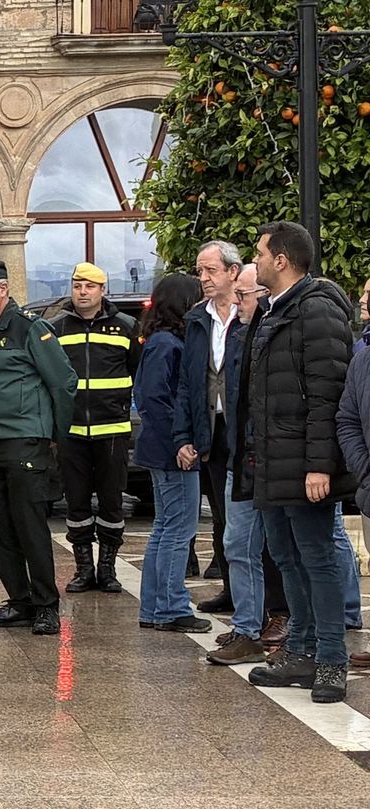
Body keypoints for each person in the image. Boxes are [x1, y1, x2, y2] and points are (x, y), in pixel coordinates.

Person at [236, 220, 356, 703]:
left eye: (261, 253)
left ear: (281, 260)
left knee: (318, 559)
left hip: (304, 464)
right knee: (286, 557)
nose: (257, 260)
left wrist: (320, 465)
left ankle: (331, 659)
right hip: (272, 460)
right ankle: (302, 651)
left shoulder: (317, 311)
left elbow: (328, 396)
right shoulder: (273, 311)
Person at [0, 260, 77, 635]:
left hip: (25, 442)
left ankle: (46, 605)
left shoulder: (30, 328)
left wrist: (55, 438)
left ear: (3, 289)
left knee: (29, 527)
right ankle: (20, 600)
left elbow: (63, 384)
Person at [53, 263, 140, 593]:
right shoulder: (57, 328)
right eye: (77, 285)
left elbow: (135, 369)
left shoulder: (125, 327)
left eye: (90, 286)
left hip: (112, 429)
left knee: (111, 503)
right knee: (75, 503)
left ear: (102, 290)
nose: (82, 291)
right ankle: (83, 568)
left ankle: (107, 569)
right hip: (72, 432)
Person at [132, 274, 212, 634]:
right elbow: (154, 398)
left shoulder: (159, 341)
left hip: (160, 448)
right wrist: (181, 442)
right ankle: (170, 606)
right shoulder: (168, 344)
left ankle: (154, 607)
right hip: (171, 451)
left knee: (165, 528)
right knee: (179, 529)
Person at [173, 241, 243, 613]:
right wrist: (184, 436)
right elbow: (188, 382)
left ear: (233, 271)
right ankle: (231, 590)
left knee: (248, 517)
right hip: (212, 430)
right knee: (219, 514)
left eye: (210, 270)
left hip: (244, 430)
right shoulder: (198, 320)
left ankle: (265, 603)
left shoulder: (252, 314)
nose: (203, 278)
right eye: (200, 271)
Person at [209, 264, 270, 664]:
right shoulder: (240, 333)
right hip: (241, 456)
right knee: (237, 544)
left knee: (291, 551)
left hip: (269, 458)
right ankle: (248, 627)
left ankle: (298, 632)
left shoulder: (273, 333)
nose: (236, 301)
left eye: (244, 295)